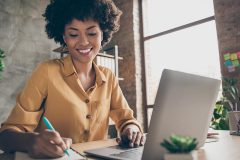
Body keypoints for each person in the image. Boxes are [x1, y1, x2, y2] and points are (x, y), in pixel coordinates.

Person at [0, 0, 145, 158]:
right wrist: (30, 141)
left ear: (103, 33)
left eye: (91, 33)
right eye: (73, 34)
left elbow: (126, 119)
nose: (83, 42)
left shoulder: (108, 76)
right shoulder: (47, 72)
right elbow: (6, 136)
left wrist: (132, 129)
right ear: (64, 37)